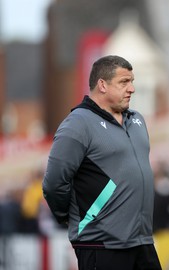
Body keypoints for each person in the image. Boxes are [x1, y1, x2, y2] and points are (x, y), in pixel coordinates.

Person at [42, 55, 162, 270]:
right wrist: (70, 217)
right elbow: (53, 183)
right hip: (101, 244)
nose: (132, 88)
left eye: (132, 81)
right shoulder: (78, 124)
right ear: (102, 85)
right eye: (124, 82)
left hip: (142, 241)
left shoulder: (137, 120)